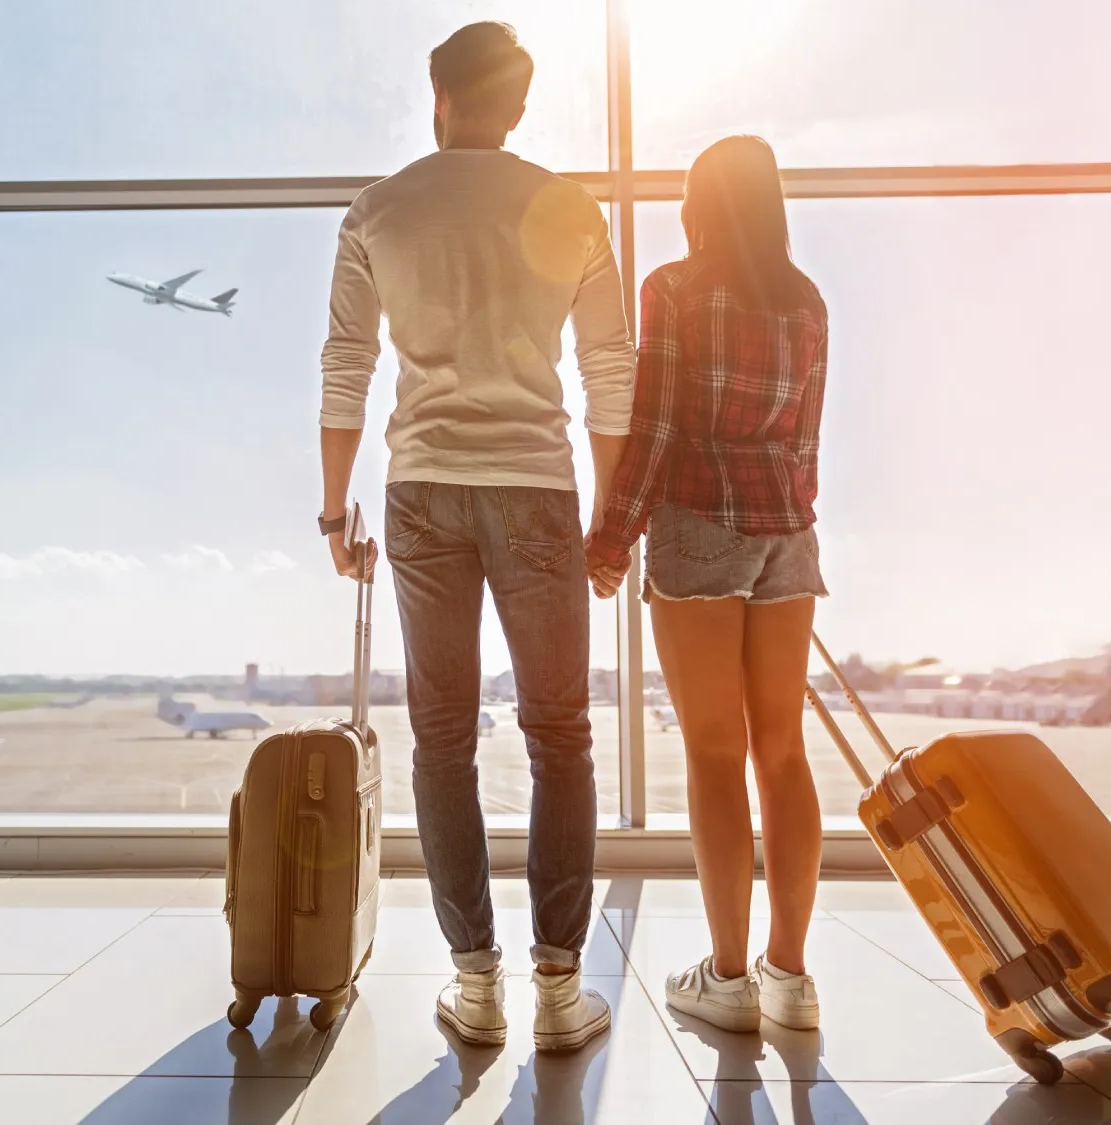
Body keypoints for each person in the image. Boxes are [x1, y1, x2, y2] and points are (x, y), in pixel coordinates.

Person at [317, 21, 635, 1052]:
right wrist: (608, 519)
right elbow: (611, 370)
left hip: (422, 490)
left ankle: (477, 983)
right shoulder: (572, 209)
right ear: (520, 107)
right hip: (537, 487)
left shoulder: (378, 210)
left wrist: (333, 509)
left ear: (439, 96)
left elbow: (346, 365)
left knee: (443, 739)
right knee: (561, 735)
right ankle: (559, 988)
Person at [587, 135, 829, 1033]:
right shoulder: (807, 301)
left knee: (715, 754)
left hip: (697, 525)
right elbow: (807, 439)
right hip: (788, 533)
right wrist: (788, 522)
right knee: (784, 753)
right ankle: (790, 977)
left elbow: (654, 426)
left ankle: (727, 980)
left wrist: (613, 536)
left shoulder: (676, 288)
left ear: (700, 203)